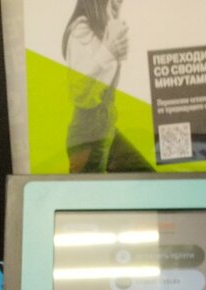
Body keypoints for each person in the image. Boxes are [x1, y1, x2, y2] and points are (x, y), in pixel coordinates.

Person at [62, 0, 151, 172]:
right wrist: (108, 51)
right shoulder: (81, 29)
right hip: (88, 137)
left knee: (146, 176)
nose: (117, 6)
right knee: (90, 190)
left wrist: (114, 47)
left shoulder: (101, 31)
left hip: (106, 129)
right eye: (113, 3)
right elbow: (77, 90)